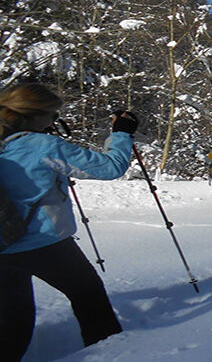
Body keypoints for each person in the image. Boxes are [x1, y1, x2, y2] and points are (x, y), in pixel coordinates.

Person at [0, 83, 137, 361]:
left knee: (13, 322)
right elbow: (110, 167)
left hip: (3, 248)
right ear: (35, 115)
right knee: (90, 299)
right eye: (52, 115)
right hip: (45, 243)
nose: (54, 122)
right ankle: (111, 354)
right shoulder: (42, 145)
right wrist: (121, 132)